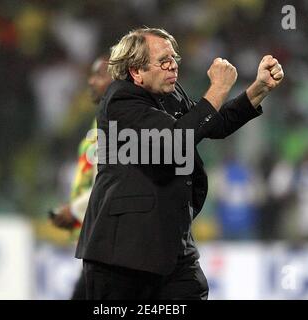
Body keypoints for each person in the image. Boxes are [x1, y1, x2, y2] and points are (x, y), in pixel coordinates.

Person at [75, 27, 284, 299]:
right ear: (136, 72)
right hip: (122, 254)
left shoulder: (170, 94)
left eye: (174, 58)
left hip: (172, 248)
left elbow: (210, 123)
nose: (173, 65)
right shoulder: (120, 100)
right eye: (163, 61)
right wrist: (218, 87)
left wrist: (258, 90)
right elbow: (174, 141)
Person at [49, 55, 112, 300]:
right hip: (101, 244)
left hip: (111, 246)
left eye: (99, 75)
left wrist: (74, 210)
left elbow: (111, 183)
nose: (91, 81)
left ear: (116, 80)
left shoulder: (116, 125)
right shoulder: (99, 123)